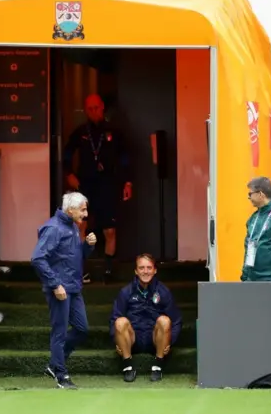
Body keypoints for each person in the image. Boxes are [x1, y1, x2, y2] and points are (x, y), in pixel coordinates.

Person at [62, 94, 132, 283]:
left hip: (107, 184)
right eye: (90, 108)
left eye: (97, 108)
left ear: (102, 108)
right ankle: (81, 271)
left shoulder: (114, 132)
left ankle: (108, 270)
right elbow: (67, 154)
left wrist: (127, 182)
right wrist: (69, 174)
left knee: (109, 230)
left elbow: (125, 158)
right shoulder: (80, 132)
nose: (94, 112)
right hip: (85, 184)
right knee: (80, 226)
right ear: (86, 110)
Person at [31, 192, 97, 389]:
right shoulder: (53, 228)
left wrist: (88, 246)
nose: (85, 214)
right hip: (60, 288)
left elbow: (76, 256)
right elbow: (37, 258)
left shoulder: (72, 227)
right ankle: (61, 374)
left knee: (82, 329)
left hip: (73, 288)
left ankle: (55, 363)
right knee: (59, 332)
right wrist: (55, 284)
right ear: (71, 210)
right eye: (83, 209)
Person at [110, 253, 182, 383]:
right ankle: (128, 366)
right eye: (142, 268)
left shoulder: (163, 291)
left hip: (155, 340)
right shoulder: (126, 292)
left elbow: (176, 320)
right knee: (120, 322)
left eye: (149, 268)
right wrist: (116, 341)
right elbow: (114, 318)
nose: (145, 271)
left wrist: (170, 341)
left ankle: (158, 366)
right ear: (136, 271)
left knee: (164, 320)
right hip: (133, 339)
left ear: (155, 270)